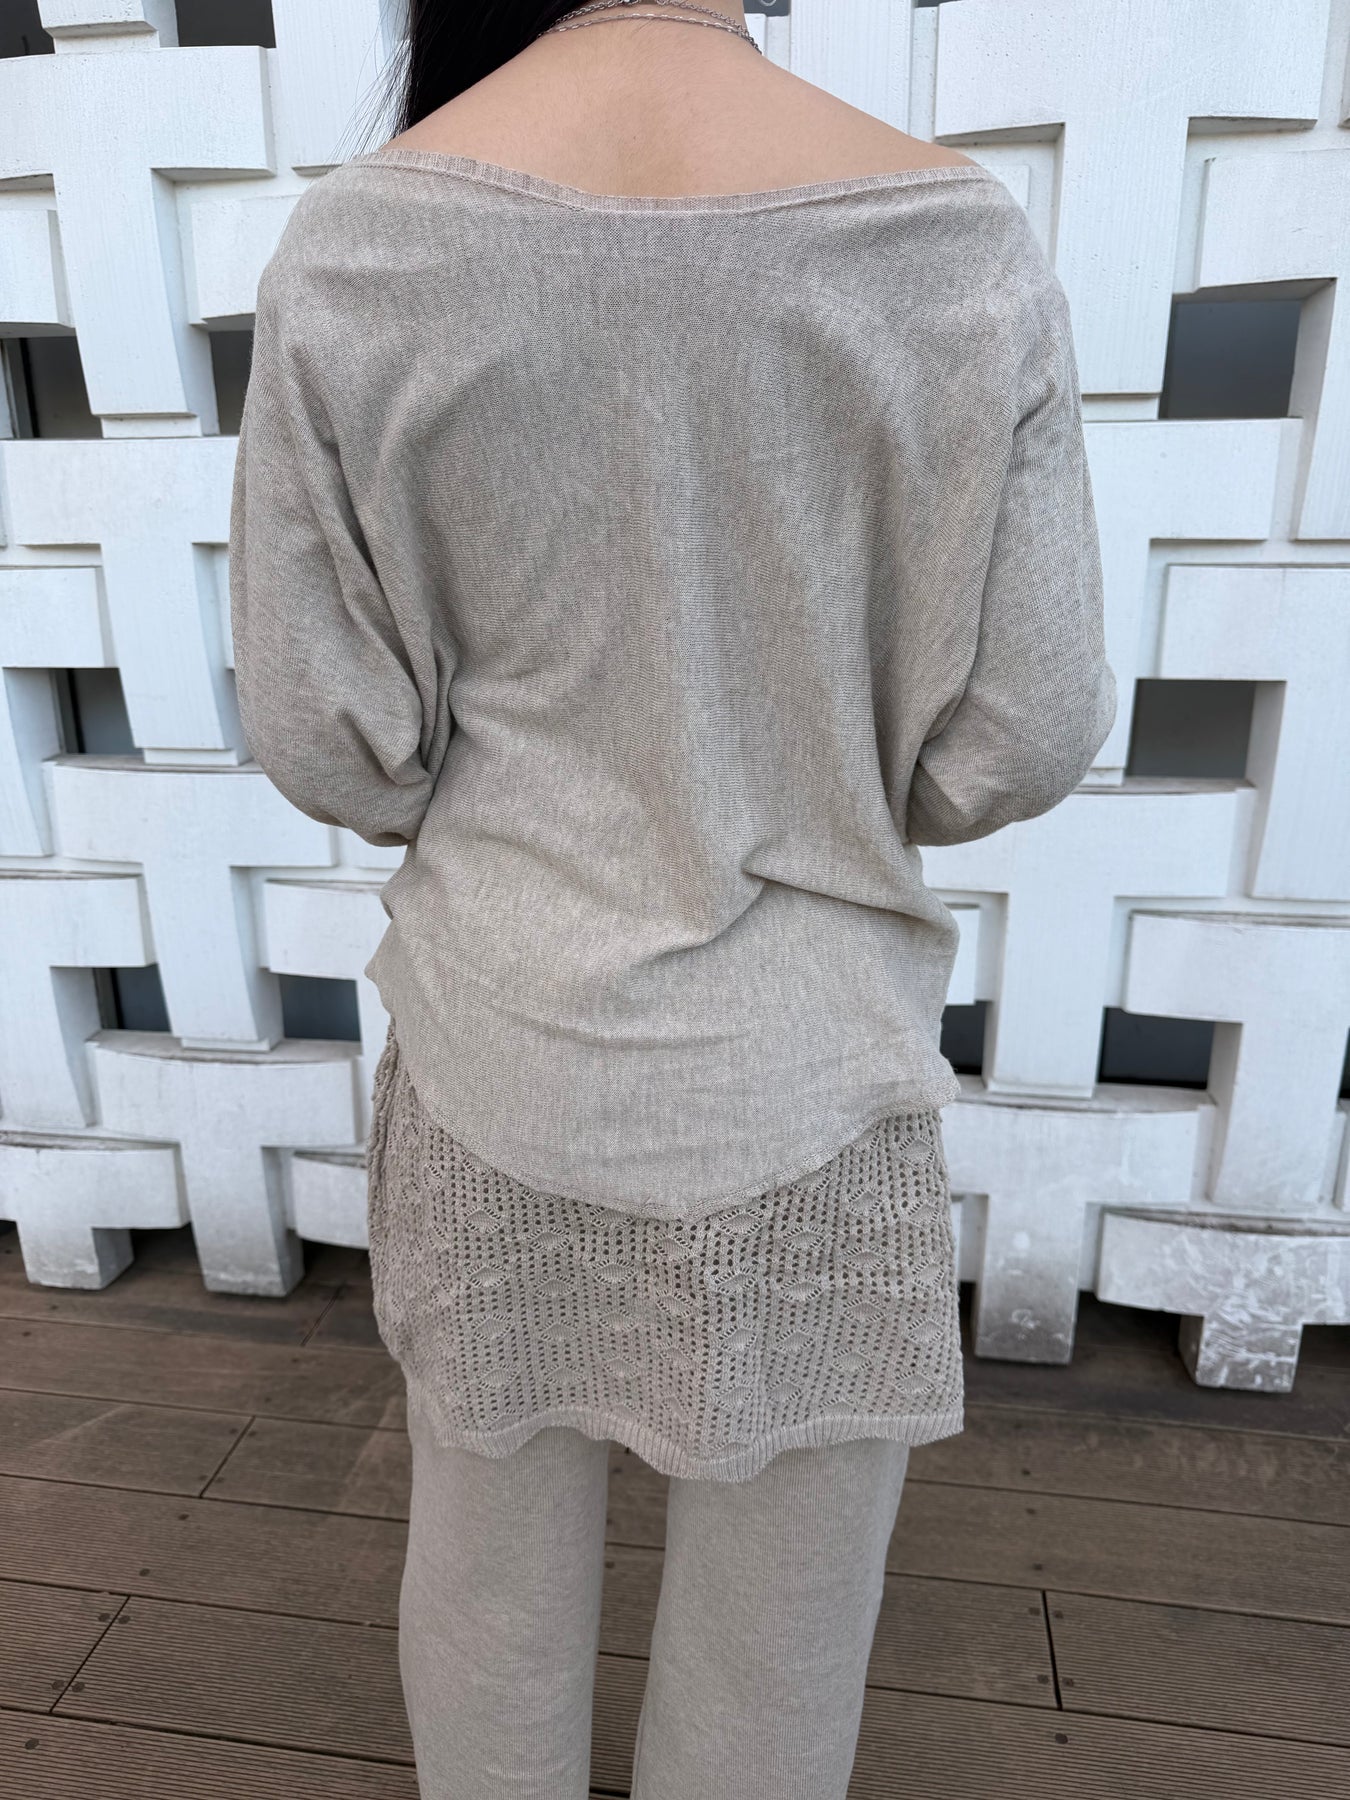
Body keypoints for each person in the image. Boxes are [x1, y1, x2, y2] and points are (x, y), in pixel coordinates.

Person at [228, 3, 1116, 1795]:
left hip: (502, 1042)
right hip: (811, 1068)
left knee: (485, 1571)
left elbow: (332, 741)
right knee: (784, 1616)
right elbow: (1018, 734)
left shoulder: (359, 243)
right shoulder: (954, 244)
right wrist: (836, 772)